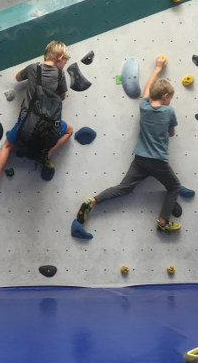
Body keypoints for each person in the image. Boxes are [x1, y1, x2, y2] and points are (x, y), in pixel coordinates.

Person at [73, 55, 181, 238]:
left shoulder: (144, 106)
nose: (170, 101)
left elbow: (147, 90)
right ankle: (163, 222)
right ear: (165, 97)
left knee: (124, 188)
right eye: (170, 98)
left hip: (140, 159)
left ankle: (93, 201)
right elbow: (171, 133)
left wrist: (157, 68)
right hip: (158, 161)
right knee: (175, 187)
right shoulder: (169, 111)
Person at [0, 40, 74, 190]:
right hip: (48, 126)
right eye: (64, 63)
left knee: (7, 146)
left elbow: (17, 77)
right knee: (69, 130)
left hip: (27, 121)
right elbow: (62, 97)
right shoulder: (60, 75)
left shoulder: (34, 68)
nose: (63, 65)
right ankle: (47, 155)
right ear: (60, 58)